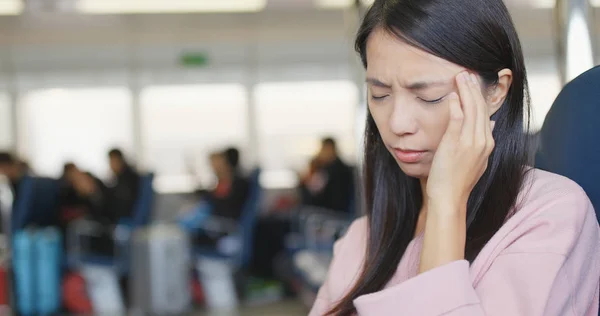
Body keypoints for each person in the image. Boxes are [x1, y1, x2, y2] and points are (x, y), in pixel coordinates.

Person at [310, 1, 600, 315]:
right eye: (380, 94)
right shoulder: (363, 237)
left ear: (495, 92)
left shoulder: (551, 214)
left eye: (428, 96)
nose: (397, 123)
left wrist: (446, 203)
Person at [301, 138, 354, 214]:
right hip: (335, 209)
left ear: (330, 149)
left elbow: (314, 190)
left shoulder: (332, 169)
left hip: (331, 211)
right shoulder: (340, 167)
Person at [107, 148, 140, 222]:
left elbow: (124, 201)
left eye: (112, 161)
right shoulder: (120, 177)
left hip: (125, 216)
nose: (111, 165)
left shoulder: (127, 178)